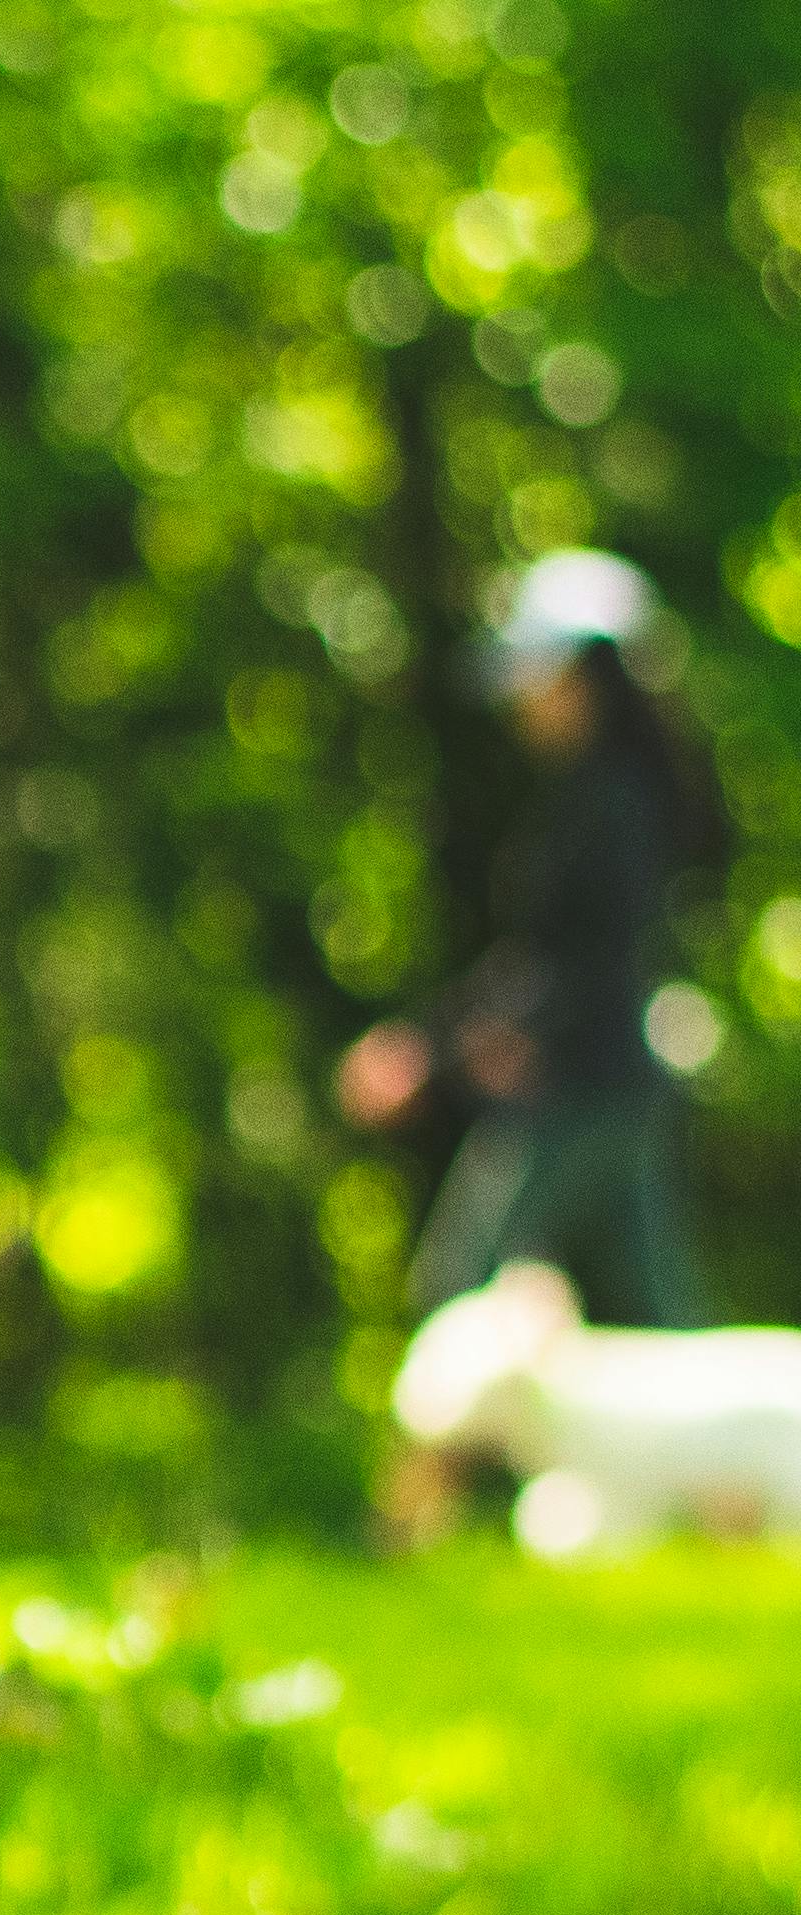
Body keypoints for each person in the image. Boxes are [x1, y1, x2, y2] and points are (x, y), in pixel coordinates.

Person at [336, 550, 719, 1331]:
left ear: (585, 675)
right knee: (654, 1325)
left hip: (581, 1090)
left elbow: (575, 967)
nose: (520, 702)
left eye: (534, 676)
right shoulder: (600, 798)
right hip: (615, 1085)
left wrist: (430, 1050)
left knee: (459, 1298)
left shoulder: (613, 809)